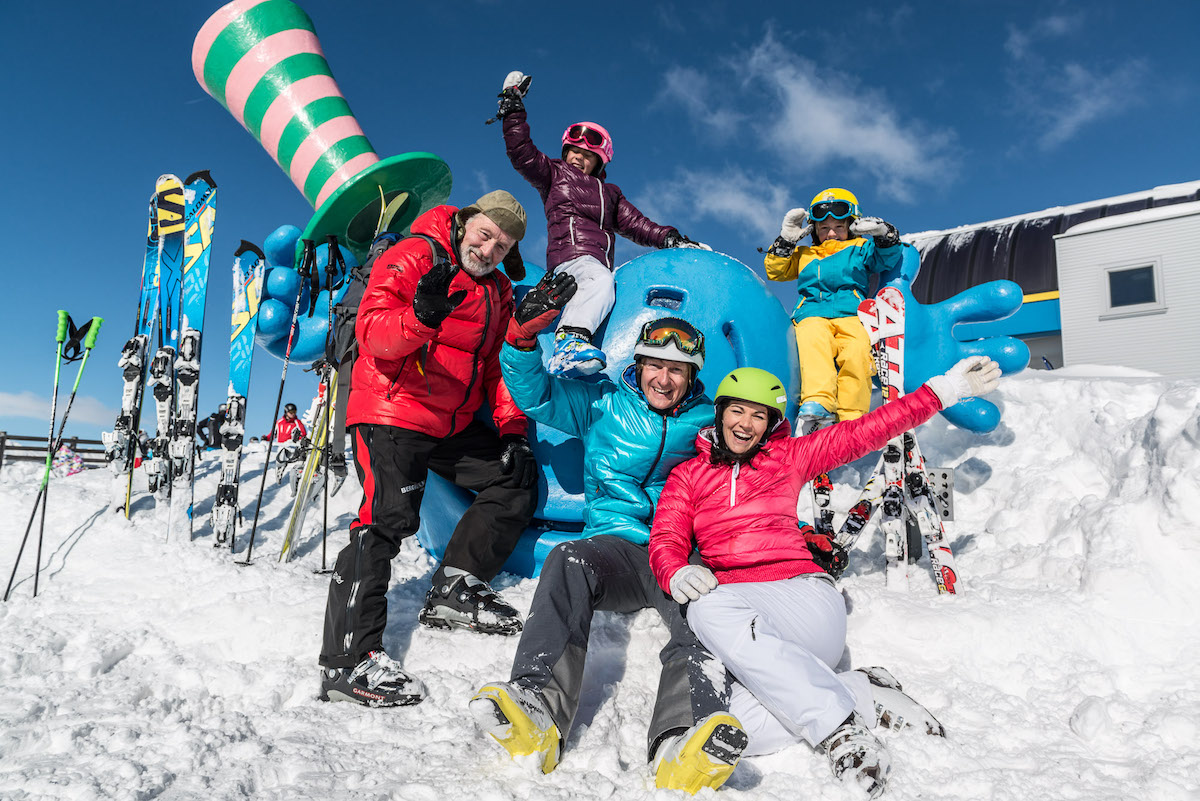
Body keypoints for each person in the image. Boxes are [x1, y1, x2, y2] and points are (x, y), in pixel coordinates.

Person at [648, 359, 1001, 797]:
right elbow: (665, 536)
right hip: (749, 624)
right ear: (720, 413)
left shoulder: (788, 457)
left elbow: (867, 430)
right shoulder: (688, 477)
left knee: (704, 607)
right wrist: (674, 569)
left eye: (760, 416)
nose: (746, 424)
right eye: (738, 410)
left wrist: (942, 392)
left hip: (801, 600)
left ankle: (840, 731)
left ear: (772, 425)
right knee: (729, 726)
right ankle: (862, 693)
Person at [471, 298, 744, 793]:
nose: (665, 379)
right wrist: (521, 338)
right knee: (566, 559)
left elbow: (759, 447)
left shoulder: (708, 418)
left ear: (693, 375)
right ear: (637, 366)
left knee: (707, 610)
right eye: (656, 365)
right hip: (615, 548)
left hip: (679, 552)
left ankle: (680, 737)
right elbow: (535, 394)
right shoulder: (600, 403)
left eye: (678, 370)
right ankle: (538, 705)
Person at [317, 190, 539, 708]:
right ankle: (346, 664)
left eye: (502, 246)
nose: (489, 250)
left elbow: (495, 367)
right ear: (466, 223)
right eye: (485, 235)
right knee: (385, 521)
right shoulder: (414, 255)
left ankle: (456, 589)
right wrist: (422, 315)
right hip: (393, 408)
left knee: (515, 475)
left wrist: (510, 429)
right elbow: (373, 337)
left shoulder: (499, 291)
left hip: (451, 421)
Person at [496, 70, 705, 378]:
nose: (578, 158)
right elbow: (521, 152)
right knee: (599, 280)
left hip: (596, 265)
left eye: (587, 155)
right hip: (571, 264)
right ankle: (569, 340)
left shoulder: (610, 194)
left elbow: (639, 225)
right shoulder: (554, 175)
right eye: (573, 151)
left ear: (599, 162)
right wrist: (513, 107)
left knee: (608, 281)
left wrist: (671, 239)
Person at [763, 188, 903, 424]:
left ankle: (853, 415)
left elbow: (885, 258)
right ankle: (818, 401)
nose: (831, 233)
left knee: (857, 352)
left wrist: (884, 234)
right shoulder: (805, 254)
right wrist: (786, 240)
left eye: (839, 227)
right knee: (813, 343)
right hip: (812, 312)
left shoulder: (860, 248)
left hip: (852, 313)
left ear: (850, 225)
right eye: (824, 228)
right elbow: (775, 270)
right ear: (814, 231)